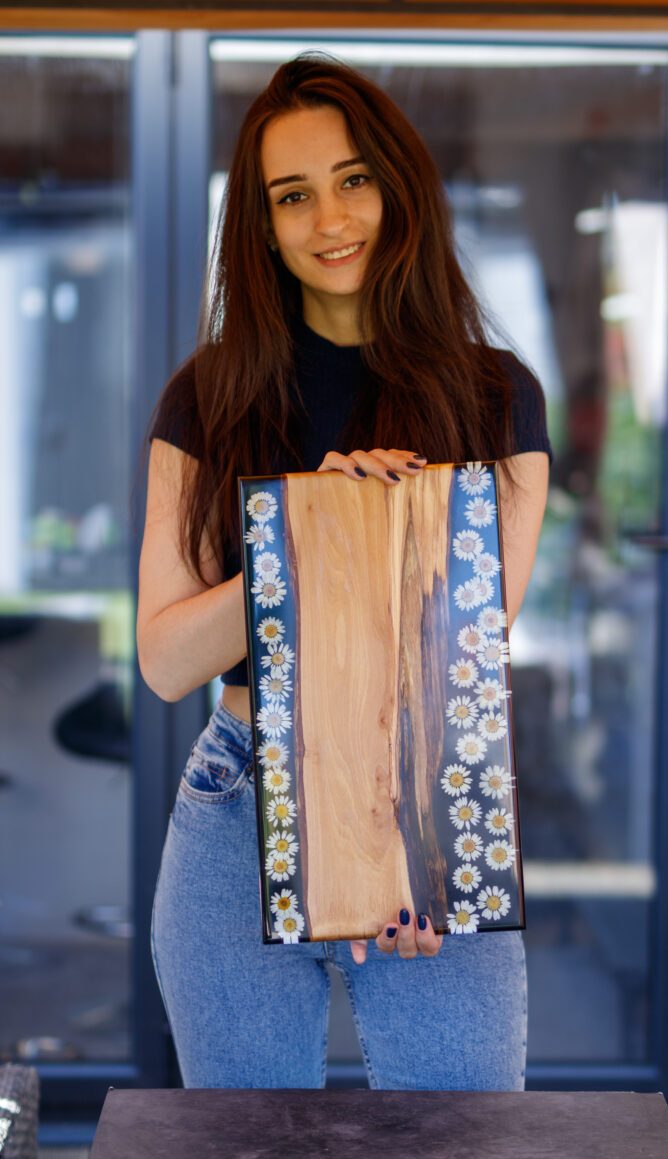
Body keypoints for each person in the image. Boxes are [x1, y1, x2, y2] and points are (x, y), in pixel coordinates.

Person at [138, 54, 552, 1091]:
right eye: (293, 195)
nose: (330, 217)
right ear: (263, 227)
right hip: (239, 809)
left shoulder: (497, 403)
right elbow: (164, 658)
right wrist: (300, 537)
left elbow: (466, 647)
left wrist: (416, 849)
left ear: (397, 186)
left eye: (353, 178)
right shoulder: (207, 401)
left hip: (426, 792)